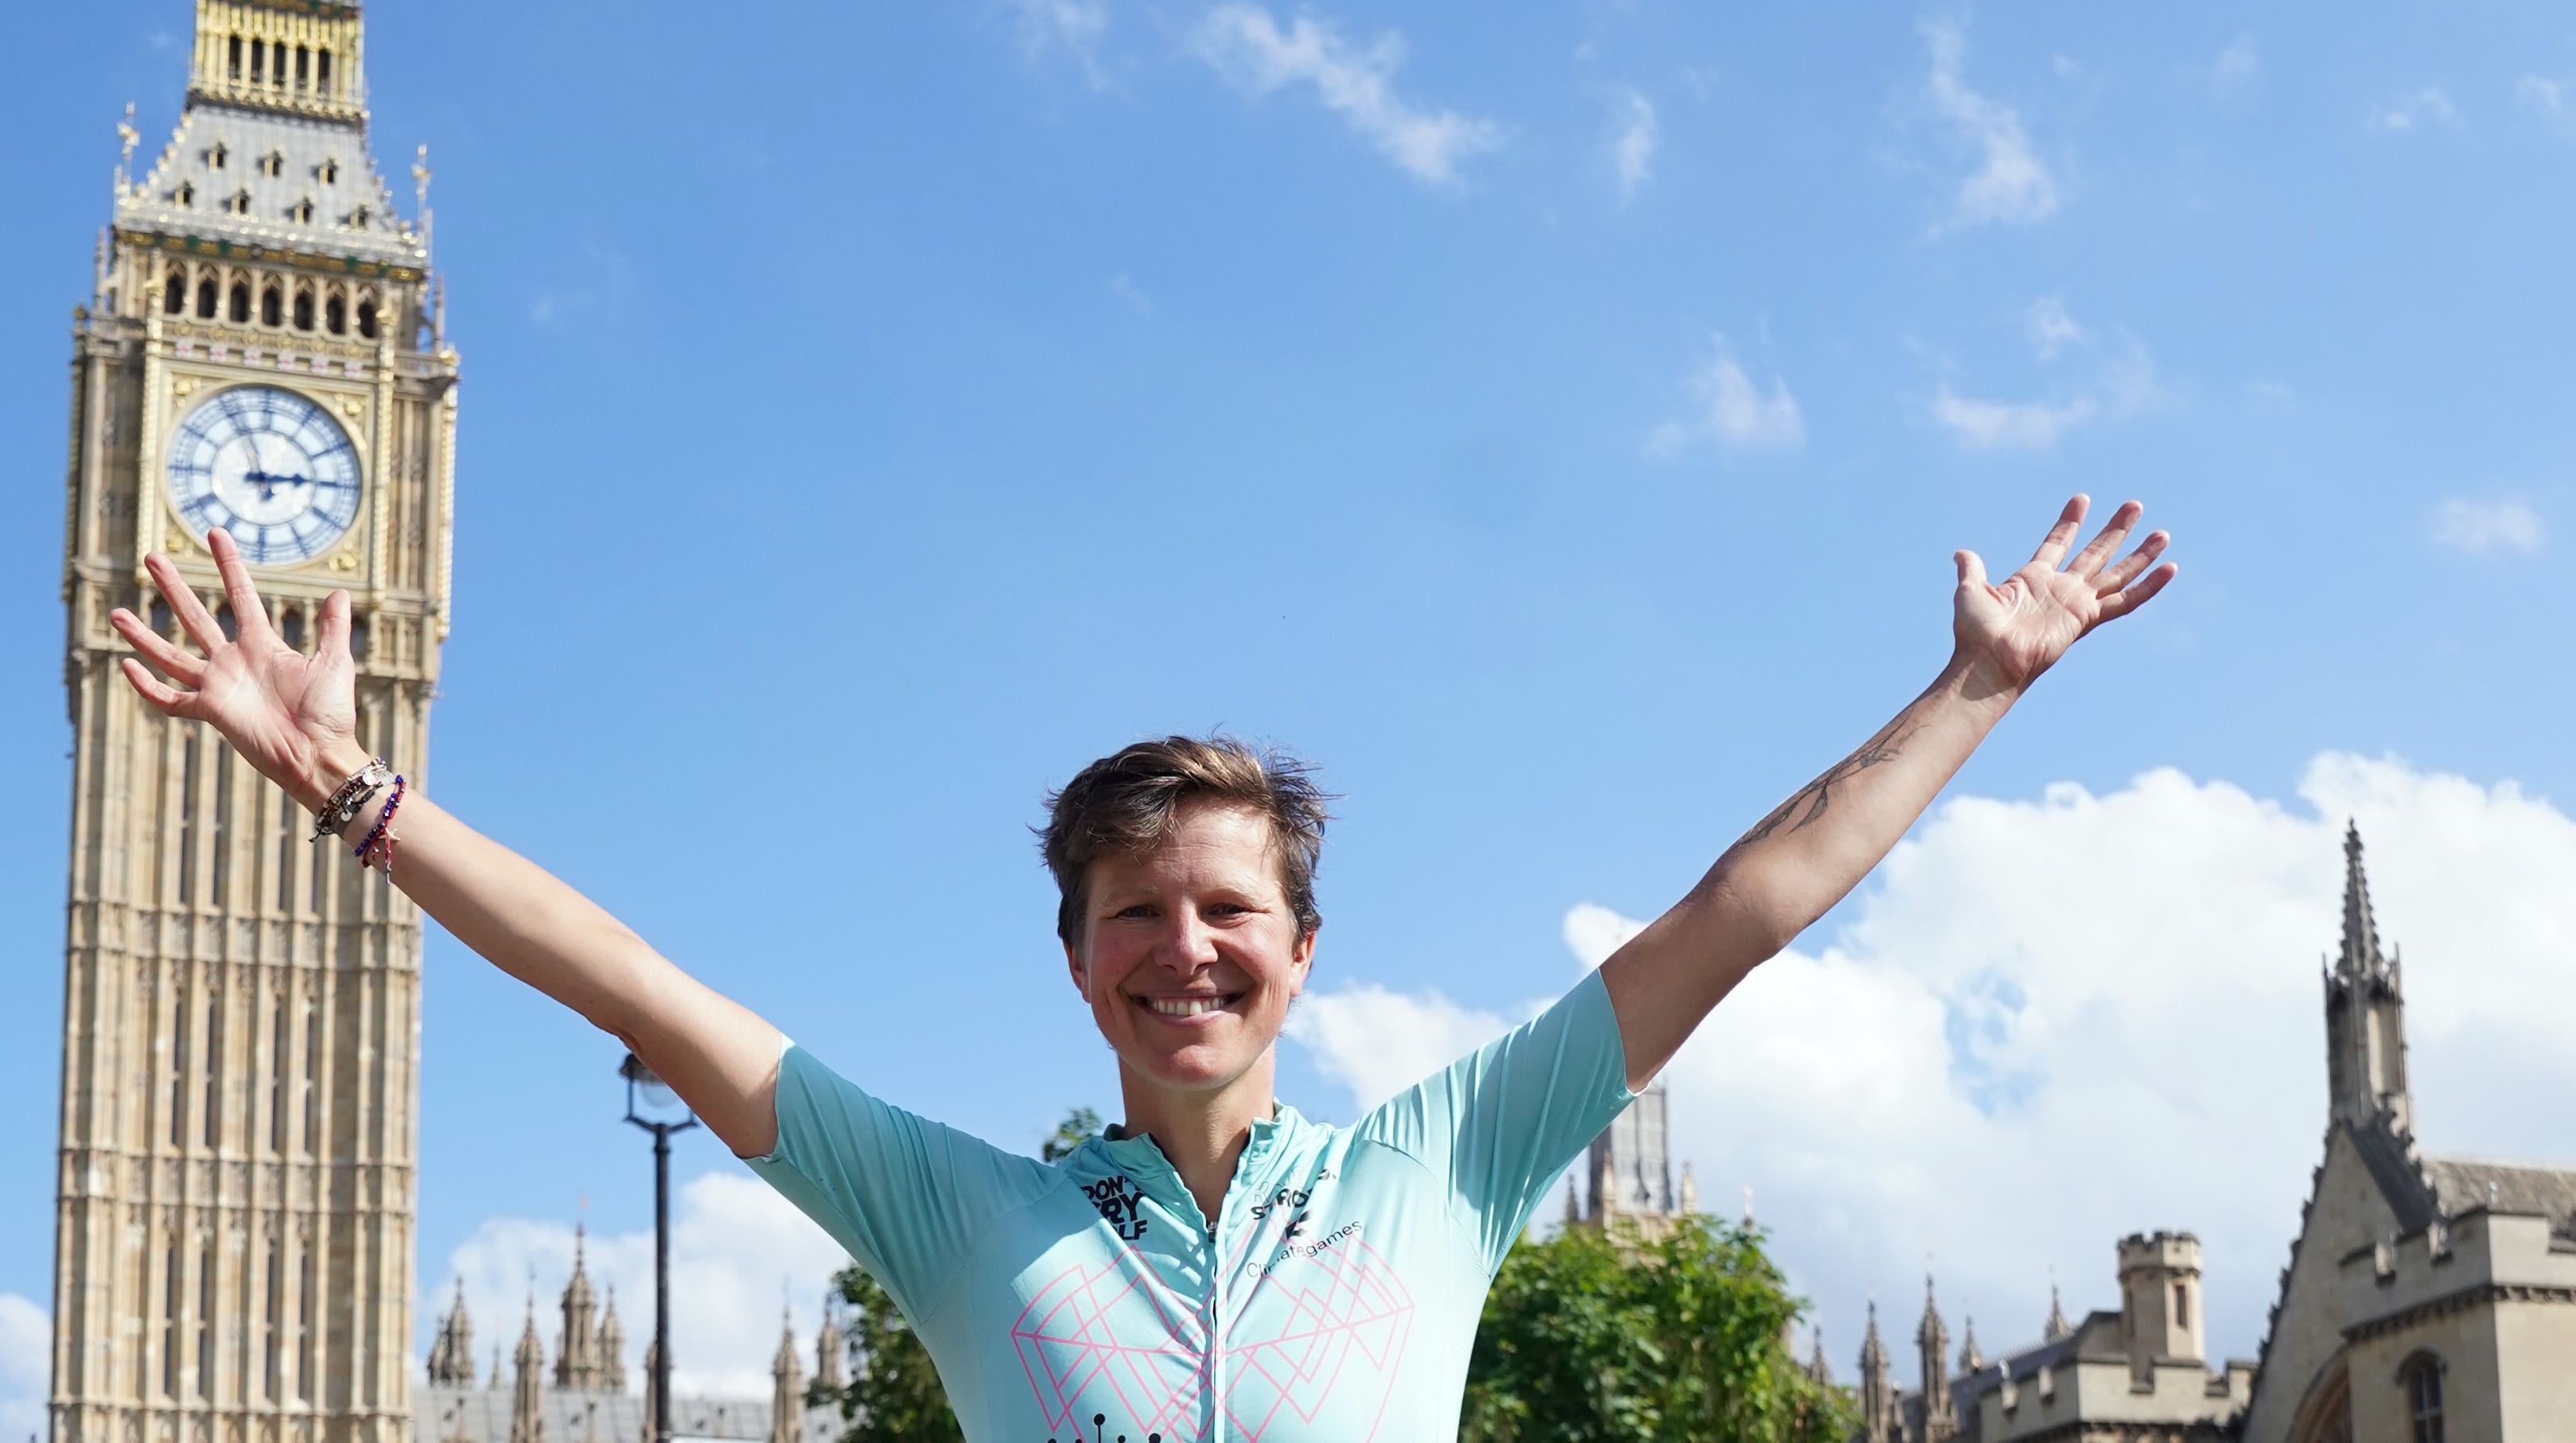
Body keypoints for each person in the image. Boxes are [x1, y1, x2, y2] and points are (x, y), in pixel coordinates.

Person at [114, 494, 2173, 1443]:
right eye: (1135, 910)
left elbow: (1748, 900)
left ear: (1298, 949)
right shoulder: (961, 1212)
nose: (1182, 944)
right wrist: (348, 781)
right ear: (1080, 960)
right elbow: (645, 987)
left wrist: (1971, 690)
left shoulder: (1442, 1163)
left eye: (1224, 908)